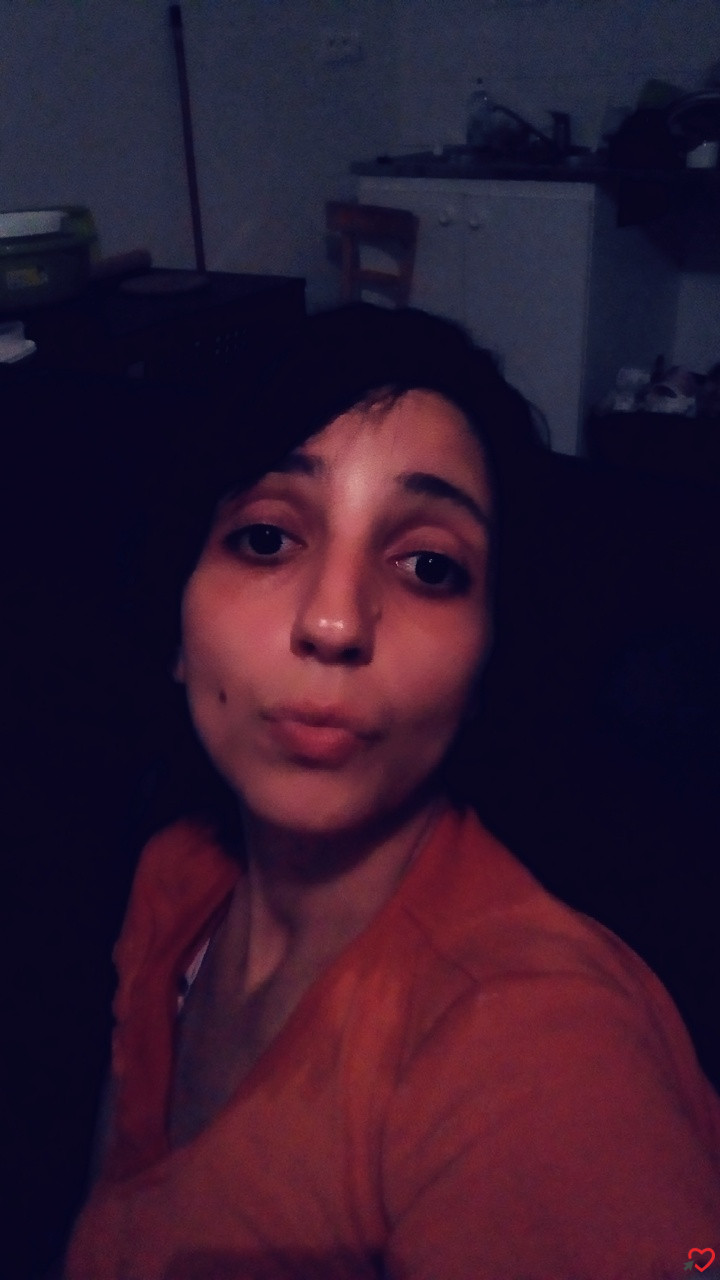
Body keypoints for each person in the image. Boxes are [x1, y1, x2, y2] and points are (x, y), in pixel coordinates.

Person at [64, 305, 720, 1280]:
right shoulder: (177, 876)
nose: (335, 622)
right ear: (176, 622)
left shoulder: (539, 1057)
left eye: (429, 566)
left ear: (489, 658)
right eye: (265, 538)